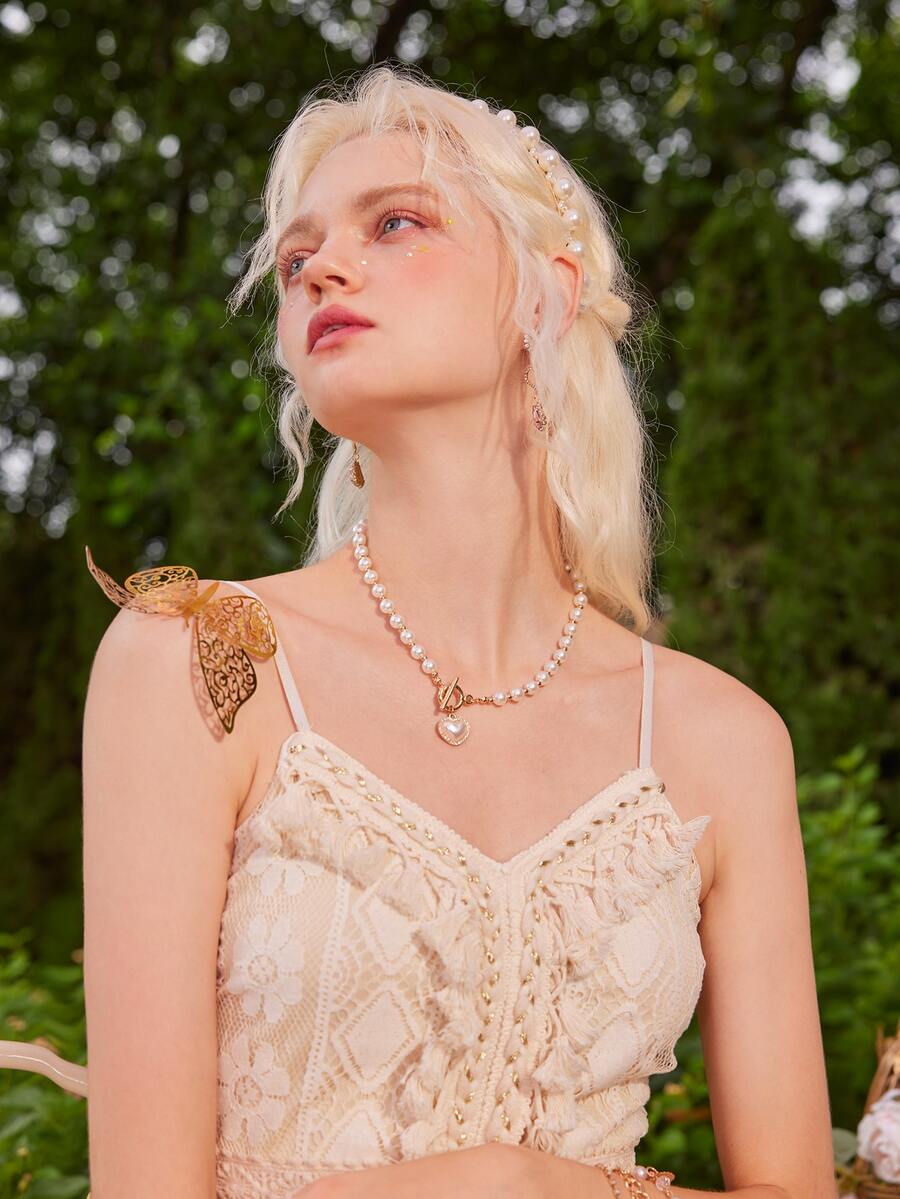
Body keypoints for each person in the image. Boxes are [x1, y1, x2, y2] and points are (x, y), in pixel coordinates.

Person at [78, 63, 835, 1198]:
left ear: (548, 295)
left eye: (396, 222)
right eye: (296, 258)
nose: (322, 267)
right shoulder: (197, 656)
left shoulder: (723, 738)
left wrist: (540, 1184)